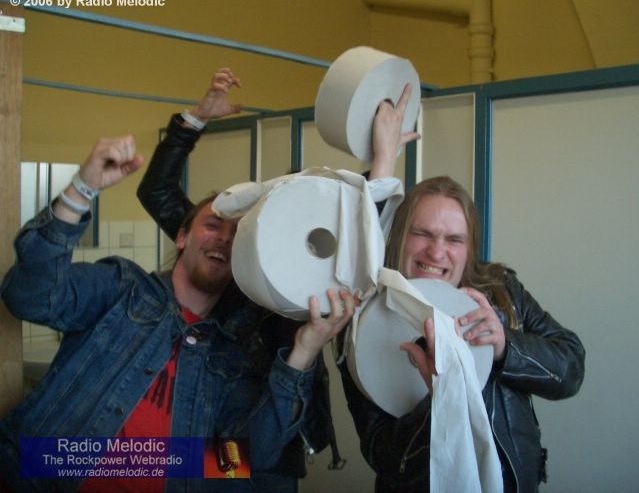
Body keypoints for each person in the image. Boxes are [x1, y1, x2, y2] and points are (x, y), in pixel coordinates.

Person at [0, 135, 356, 493]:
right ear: (182, 237)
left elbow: (248, 459)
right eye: (213, 225)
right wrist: (81, 190)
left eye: (237, 235)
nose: (224, 238)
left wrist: (304, 351)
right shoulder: (122, 290)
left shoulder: (233, 356)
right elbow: (29, 297)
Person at [135, 68, 420, 486]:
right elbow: (157, 191)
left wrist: (383, 162)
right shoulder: (226, 257)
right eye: (214, 226)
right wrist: (194, 120)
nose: (225, 238)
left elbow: (355, 239)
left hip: (271, 450)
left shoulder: (309, 278)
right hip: (203, 435)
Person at [338, 176, 586, 492]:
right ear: (399, 236)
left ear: (469, 249)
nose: (437, 253)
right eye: (422, 234)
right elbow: (385, 458)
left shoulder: (503, 292)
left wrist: (506, 347)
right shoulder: (363, 323)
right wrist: (441, 398)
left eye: (454, 239)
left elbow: (571, 369)